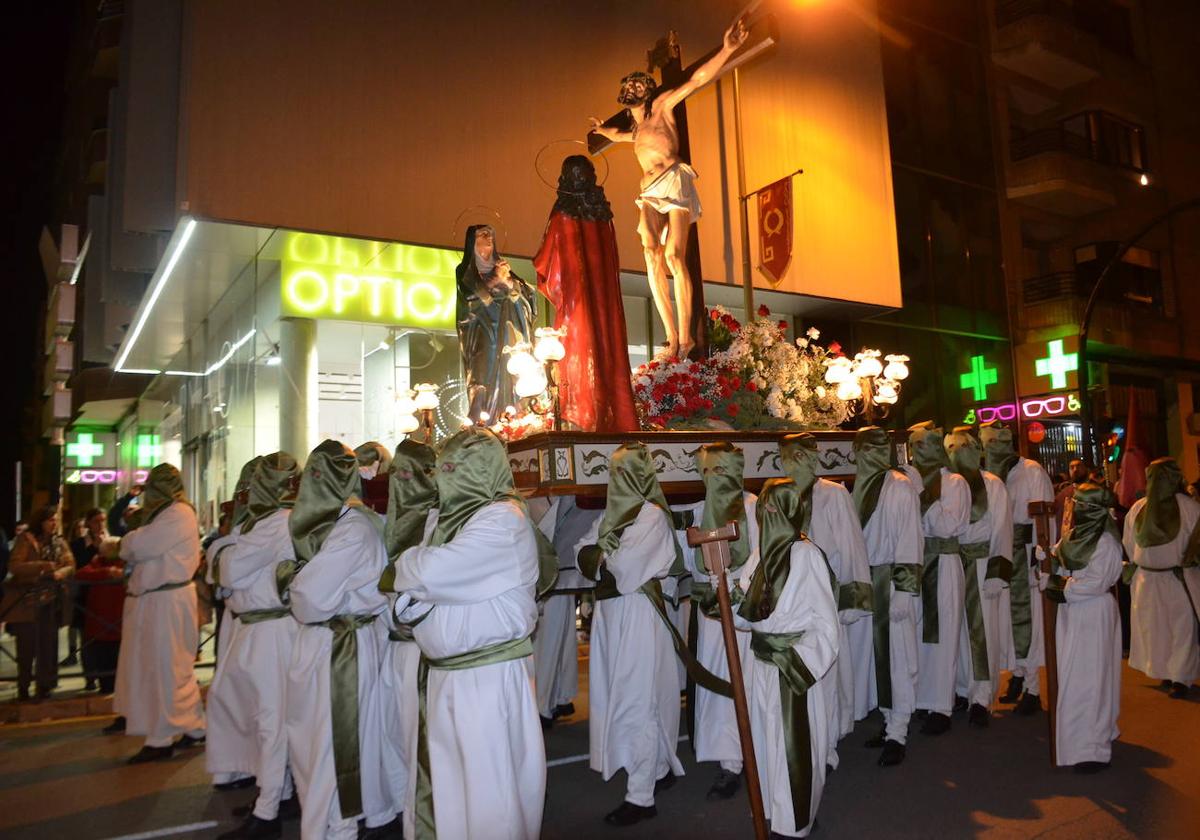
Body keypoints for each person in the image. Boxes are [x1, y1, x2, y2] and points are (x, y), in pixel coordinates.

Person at [392, 427, 548, 840]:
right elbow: (413, 584)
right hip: (443, 676)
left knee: (489, 797)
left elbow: (424, 572)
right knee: (448, 791)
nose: (443, 478)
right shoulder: (447, 520)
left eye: (451, 468)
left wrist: (416, 567)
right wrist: (424, 577)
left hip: (487, 680)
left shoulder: (504, 518)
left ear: (478, 470)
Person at [575, 442, 721, 826]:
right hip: (611, 616)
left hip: (639, 614)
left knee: (639, 699)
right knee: (619, 693)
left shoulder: (652, 516)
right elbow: (583, 552)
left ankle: (641, 796)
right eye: (614, 472)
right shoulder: (611, 514)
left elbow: (625, 569)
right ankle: (656, 768)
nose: (618, 480)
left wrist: (602, 554)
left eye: (626, 472)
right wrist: (601, 554)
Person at [588, 15, 748, 360]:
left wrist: (727, 49)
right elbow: (615, 135)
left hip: (675, 181)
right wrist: (602, 131)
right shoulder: (633, 130)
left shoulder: (661, 108)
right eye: (627, 88)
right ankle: (672, 337)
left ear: (647, 91)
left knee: (675, 256)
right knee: (649, 252)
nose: (631, 91)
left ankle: (688, 336)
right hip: (648, 191)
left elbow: (697, 79)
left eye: (636, 87)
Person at [283, 439, 392, 839]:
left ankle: (337, 828)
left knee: (331, 747)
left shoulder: (354, 530)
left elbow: (309, 599)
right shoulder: (337, 526)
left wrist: (292, 582)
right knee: (314, 742)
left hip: (340, 648)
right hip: (326, 642)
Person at [734, 478, 839, 838]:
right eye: (763, 507)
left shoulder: (807, 555)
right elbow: (747, 611)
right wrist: (726, 601)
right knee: (765, 741)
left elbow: (825, 623)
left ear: (793, 511)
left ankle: (796, 821)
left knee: (794, 745)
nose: (767, 514)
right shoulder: (760, 553)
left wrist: (797, 664)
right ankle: (769, 811)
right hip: (760, 664)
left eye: (775, 507)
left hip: (791, 666)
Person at [210, 453, 302, 840]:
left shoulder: (278, 522)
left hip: (272, 631)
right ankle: (276, 793)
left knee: (272, 721)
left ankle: (268, 814)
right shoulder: (261, 522)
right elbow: (222, 570)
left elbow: (226, 569)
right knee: (257, 715)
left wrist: (225, 548)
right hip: (254, 629)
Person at [778, 433, 871, 769]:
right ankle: (806, 736)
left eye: (803, 456)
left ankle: (829, 741)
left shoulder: (832, 493)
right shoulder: (778, 493)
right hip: (790, 604)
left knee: (829, 669)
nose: (797, 463)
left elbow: (850, 544)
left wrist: (851, 598)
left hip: (825, 597)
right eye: (790, 457)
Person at [533, 154, 639, 432]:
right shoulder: (603, 218)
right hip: (601, 303)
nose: (581, 180)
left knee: (583, 344)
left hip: (577, 301)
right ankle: (608, 414)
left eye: (582, 174)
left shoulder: (563, 216)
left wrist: (544, 278)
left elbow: (546, 265)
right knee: (602, 345)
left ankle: (585, 414)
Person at [680, 442, 758, 799]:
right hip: (712, 616)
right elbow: (690, 561)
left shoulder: (755, 508)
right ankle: (729, 762)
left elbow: (763, 559)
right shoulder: (698, 511)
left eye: (720, 470)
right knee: (717, 688)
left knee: (748, 684)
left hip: (745, 616)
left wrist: (739, 591)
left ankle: (755, 753)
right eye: (707, 471)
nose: (713, 479)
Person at [114, 464, 207, 762]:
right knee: (169, 667)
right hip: (158, 601)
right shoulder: (164, 513)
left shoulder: (178, 513)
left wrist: (129, 541)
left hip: (168, 601)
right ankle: (194, 728)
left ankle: (160, 738)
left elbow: (139, 546)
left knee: (164, 668)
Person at [376, 439, 439, 834]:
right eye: (395, 472)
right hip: (393, 646)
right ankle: (403, 815)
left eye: (408, 473)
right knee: (395, 735)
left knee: (421, 742)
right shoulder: (391, 520)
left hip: (420, 647)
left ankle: (423, 821)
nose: (401, 481)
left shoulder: (435, 521)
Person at [1038, 483, 1122, 773]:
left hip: (1093, 612)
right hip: (1071, 614)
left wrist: (1056, 585)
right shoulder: (1073, 536)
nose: (1076, 511)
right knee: (1073, 678)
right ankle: (1077, 741)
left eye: (1083, 506)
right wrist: (1046, 558)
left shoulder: (1107, 543)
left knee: (1092, 680)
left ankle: (1094, 748)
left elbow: (1095, 583)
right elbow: (1060, 559)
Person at [851, 427, 922, 766]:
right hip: (868, 581)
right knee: (876, 660)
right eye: (863, 449)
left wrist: (905, 592)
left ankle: (899, 732)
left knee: (896, 657)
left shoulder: (899, 486)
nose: (869, 456)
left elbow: (910, 538)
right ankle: (886, 719)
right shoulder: (857, 486)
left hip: (891, 582)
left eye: (877, 448)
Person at [980, 422, 1055, 717]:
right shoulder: (988, 477)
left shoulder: (1031, 471)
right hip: (999, 555)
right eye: (988, 444)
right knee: (1006, 623)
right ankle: (1017, 676)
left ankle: (1034, 689)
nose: (992, 449)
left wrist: (1042, 559)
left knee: (1028, 622)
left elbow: (1044, 517)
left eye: (998, 443)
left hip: (1025, 556)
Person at [900, 422, 969, 737]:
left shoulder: (954, 482)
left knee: (942, 637)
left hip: (942, 564)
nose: (916, 452)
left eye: (922, 445)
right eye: (913, 445)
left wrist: (921, 493)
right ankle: (921, 699)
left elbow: (946, 527)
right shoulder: (908, 482)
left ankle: (942, 704)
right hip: (919, 564)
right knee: (919, 635)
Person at [945, 427, 1013, 727]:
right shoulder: (947, 484)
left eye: (964, 446)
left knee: (982, 633)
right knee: (955, 629)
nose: (957, 452)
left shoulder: (993, 485)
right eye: (951, 447)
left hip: (983, 564)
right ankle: (960, 688)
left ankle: (981, 696)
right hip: (954, 565)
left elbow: (1003, 529)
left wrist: (997, 574)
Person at [1123, 457, 1200, 699]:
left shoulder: (1188, 508)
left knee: (1182, 630)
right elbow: (1129, 542)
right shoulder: (1139, 508)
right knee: (1158, 629)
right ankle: (1167, 672)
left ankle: (1181, 678)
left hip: (1178, 579)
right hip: (1149, 580)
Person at [455, 225, 538, 423]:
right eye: (482, 234)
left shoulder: (504, 268)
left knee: (512, 370)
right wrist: (494, 280)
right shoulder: (465, 272)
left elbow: (528, 296)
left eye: (491, 233)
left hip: (508, 331)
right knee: (482, 371)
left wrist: (509, 282)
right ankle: (481, 414)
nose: (488, 237)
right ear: (471, 242)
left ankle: (514, 412)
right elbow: (469, 298)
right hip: (482, 331)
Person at [532, 495, 598, 728]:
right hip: (547, 577)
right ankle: (544, 703)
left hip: (560, 575)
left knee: (559, 639)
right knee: (548, 643)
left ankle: (558, 696)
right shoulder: (531, 498)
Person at [3, 505, 74, 701]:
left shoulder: (59, 541)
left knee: (47, 645)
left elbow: (70, 563)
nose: (54, 523)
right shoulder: (26, 539)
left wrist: (61, 572)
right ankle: (24, 687)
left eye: (56, 519)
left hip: (52, 601)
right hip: (28, 600)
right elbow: (15, 565)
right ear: (40, 521)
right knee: (26, 646)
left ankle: (44, 686)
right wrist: (42, 567)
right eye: (50, 519)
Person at [74, 535, 124, 694]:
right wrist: (107, 572)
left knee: (117, 659)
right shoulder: (97, 563)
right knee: (102, 658)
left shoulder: (125, 564)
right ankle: (105, 686)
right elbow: (81, 574)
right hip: (100, 622)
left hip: (118, 622)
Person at [66, 508, 107, 671]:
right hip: (86, 596)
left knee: (105, 635)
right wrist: (94, 548)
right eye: (97, 520)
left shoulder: (111, 542)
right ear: (89, 523)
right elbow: (79, 567)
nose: (100, 524)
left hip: (106, 595)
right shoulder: (78, 544)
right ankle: (89, 674)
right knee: (87, 636)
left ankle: (105, 671)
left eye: (103, 520)